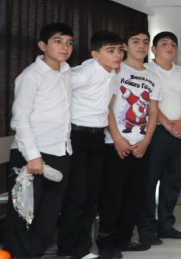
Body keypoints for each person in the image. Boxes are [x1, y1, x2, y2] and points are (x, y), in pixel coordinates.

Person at [4, 23, 74, 259]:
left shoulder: (67, 73)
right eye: (58, 41)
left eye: (69, 43)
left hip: (61, 151)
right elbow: (20, 118)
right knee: (23, 213)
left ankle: (34, 254)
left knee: (48, 214)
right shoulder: (31, 76)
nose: (65, 47)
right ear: (43, 45)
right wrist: (33, 156)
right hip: (32, 154)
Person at [58, 30, 122, 259]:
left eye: (119, 50)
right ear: (96, 54)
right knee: (78, 195)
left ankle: (81, 248)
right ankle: (66, 251)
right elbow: (58, 89)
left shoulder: (113, 73)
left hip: (97, 138)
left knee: (92, 195)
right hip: (77, 136)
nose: (117, 55)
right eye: (111, 51)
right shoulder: (84, 72)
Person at [98, 28, 161, 256]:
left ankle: (124, 238)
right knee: (112, 195)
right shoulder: (116, 70)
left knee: (135, 194)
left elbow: (153, 112)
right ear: (125, 46)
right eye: (136, 41)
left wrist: (146, 141)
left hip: (141, 145)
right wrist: (117, 138)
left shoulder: (153, 77)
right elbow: (107, 108)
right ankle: (107, 243)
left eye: (145, 42)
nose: (141, 46)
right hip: (114, 144)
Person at [140, 31, 181, 243]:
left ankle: (166, 224)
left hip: (179, 129)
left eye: (173, 44)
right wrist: (166, 123)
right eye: (164, 44)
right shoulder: (146, 69)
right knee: (149, 180)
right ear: (153, 49)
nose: (170, 47)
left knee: (173, 180)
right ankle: (146, 228)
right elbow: (147, 101)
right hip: (155, 130)